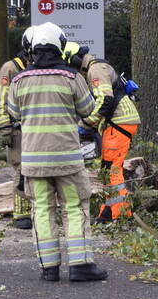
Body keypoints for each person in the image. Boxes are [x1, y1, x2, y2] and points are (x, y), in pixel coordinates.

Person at [6, 22, 107, 282]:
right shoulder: (71, 78)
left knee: (41, 210)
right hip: (67, 161)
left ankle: (49, 268)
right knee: (74, 208)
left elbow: (13, 114)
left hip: (33, 162)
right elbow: (88, 110)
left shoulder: (18, 81)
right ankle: (81, 265)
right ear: (60, 47)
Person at [63, 43, 140, 223]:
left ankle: (121, 215)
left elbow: (105, 100)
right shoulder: (97, 67)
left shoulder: (95, 70)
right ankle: (107, 212)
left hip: (119, 123)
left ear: (75, 60)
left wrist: (86, 123)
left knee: (113, 171)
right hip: (117, 123)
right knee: (107, 170)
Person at [0, 26, 36, 230]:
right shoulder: (10, 68)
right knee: (21, 169)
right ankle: (21, 213)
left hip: (35, 127)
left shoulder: (38, 67)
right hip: (17, 128)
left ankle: (37, 209)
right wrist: (5, 128)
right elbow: (1, 100)